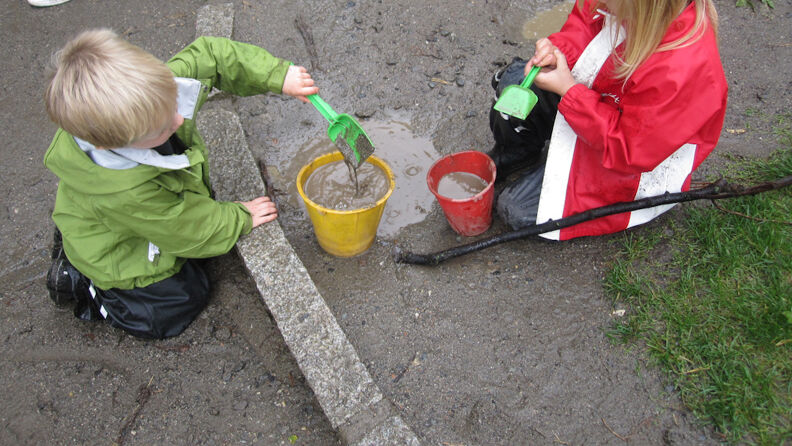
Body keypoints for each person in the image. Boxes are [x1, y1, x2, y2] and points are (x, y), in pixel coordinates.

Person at [43, 29, 318, 339]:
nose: (178, 119)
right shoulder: (128, 192)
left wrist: (277, 75)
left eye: (173, 101)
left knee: (198, 244)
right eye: (162, 126)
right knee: (180, 301)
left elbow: (213, 57)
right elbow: (185, 228)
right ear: (112, 145)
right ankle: (89, 286)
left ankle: (78, 242)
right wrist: (237, 217)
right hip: (120, 251)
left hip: (141, 215)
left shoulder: (151, 94)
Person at [488, 0, 727, 240]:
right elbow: (585, 24)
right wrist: (558, 52)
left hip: (629, 163)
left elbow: (629, 149)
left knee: (513, 209)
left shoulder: (682, 69)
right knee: (514, 81)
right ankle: (518, 153)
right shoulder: (627, 5)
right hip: (598, 106)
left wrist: (570, 93)